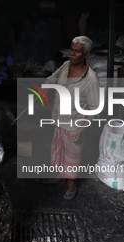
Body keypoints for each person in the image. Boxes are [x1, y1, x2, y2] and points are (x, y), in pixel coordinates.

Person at [43, 36, 100, 199]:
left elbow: (95, 109)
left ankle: (72, 183)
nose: (72, 54)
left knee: (73, 158)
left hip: (75, 125)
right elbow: (51, 78)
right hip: (59, 119)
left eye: (77, 52)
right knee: (59, 151)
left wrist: (80, 129)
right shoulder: (66, 65)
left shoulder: (90, 80)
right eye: (72, 50)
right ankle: (61, 177)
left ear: (87, 54)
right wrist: (44, 89)